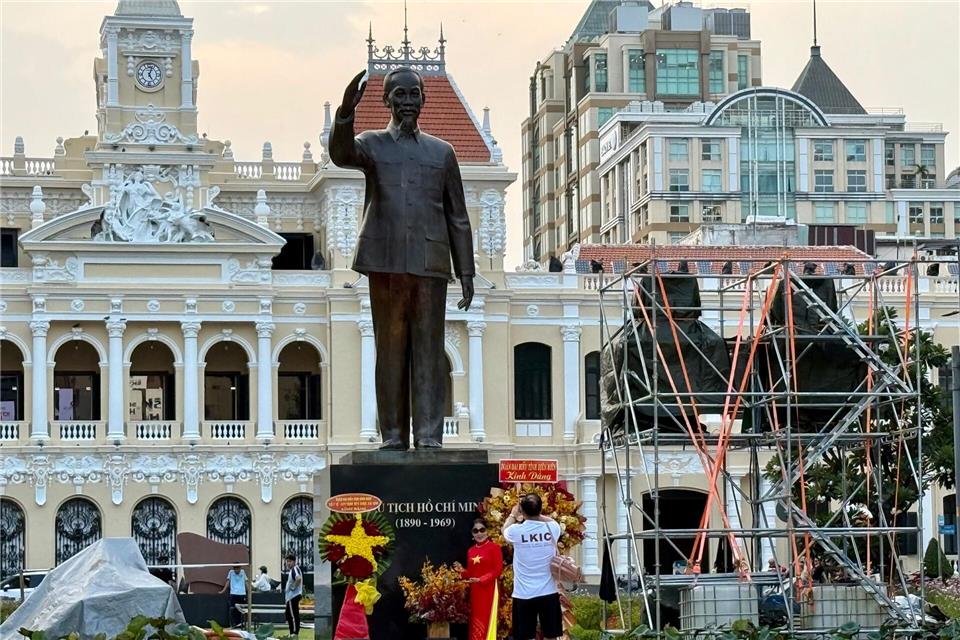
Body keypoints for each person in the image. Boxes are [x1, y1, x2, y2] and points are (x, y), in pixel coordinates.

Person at [329, 66, 475, 450]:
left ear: (423, 100)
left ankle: (429, 437)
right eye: (400, 95)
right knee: (390, 350)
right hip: (386, 260)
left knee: (429, 351)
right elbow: (341, 154)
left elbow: (457, 215)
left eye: (414, 95)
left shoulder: (442, 152)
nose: (407, 102)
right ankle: (393, 436)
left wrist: (468, 272)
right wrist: (346, 111)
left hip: (430, 264)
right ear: (386, 100)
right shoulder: (372, 144)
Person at [502, 493, 563, 640]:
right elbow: (551, 521)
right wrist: (537, 515)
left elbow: (504, 530)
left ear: (522, 511)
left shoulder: (516, 531)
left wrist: (512, 514)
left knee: (524, 636)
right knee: (551, 635)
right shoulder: (553, 528)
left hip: (524, 593)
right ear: (540, 509)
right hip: (548, 591)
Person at [463, 518, 503, 640]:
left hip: (489, 589)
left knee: (488, 619)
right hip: (475, 591)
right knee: (475, 619)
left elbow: (498, 569)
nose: (479, 534)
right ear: (472, 534)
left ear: (487, 532)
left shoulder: (494, 548)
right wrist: (461, 572)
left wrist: (482, 579)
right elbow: (470, 573)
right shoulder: (471, 551)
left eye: (482, 530)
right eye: (475, 531)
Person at [284, 553, 303, 636]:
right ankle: (292, 632)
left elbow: (298, 578)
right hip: (290, 597)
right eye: (287, 561)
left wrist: (293, 587)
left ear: (294, 562)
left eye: (290, 561)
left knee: (293, 615)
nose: (288, 563)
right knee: (288, 614)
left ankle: (294, 633)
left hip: (293, 596)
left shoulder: (294, 569)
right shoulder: (293, 570)